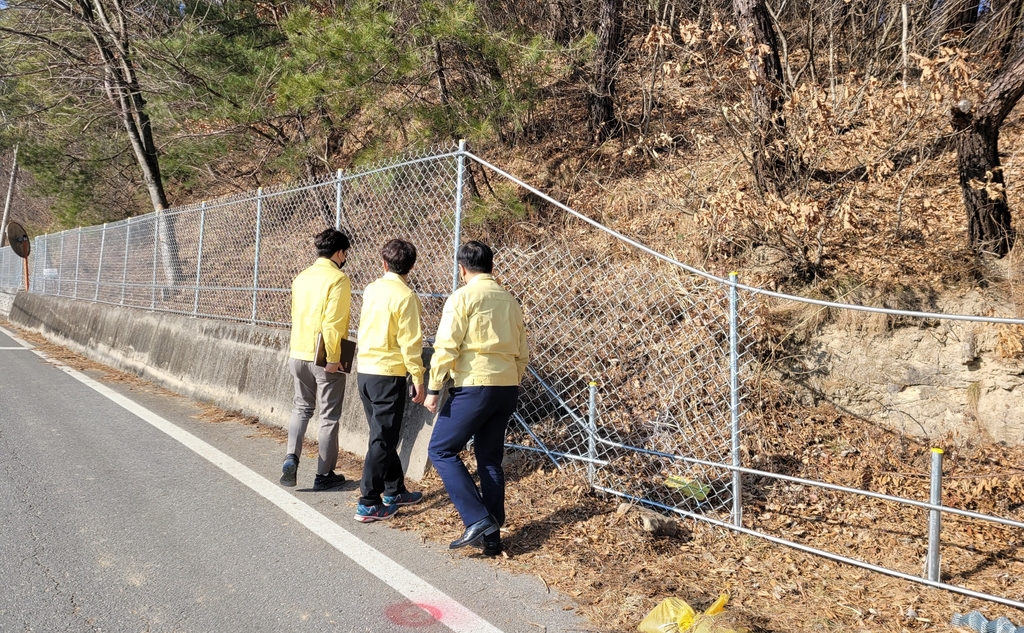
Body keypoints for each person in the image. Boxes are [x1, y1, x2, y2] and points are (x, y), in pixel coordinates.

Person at [425, 241, 529, 556]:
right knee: (489, 459)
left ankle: (477, 518)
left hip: (474, 386)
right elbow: (523, 351)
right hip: (506, 387)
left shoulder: (463, 297)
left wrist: (433, 386)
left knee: (441, 449)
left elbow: (446, 346)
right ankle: (492, 538)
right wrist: (512, 378)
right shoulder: (510, 300)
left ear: (462, 268)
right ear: (491, 267)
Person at [353, 239, 427, 522]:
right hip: (388, 374)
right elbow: (410, 342)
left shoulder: (371, 289)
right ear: (411, 267)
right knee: (383, 439)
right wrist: (418, 377)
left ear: (383, 263)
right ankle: (369, 502)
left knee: (381, 435)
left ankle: (394, 490)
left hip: (366, 371)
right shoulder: (406, 296)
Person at [280, 228, 351, 491]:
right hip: (323, 355)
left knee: (301, 407)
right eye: (345, 253)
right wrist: (333, 357)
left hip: (297, 352)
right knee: (328, 416)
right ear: (340, 252)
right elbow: (332, 323)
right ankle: (324, 474)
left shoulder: (301, 277)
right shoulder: (338, 279)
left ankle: (291, 457)